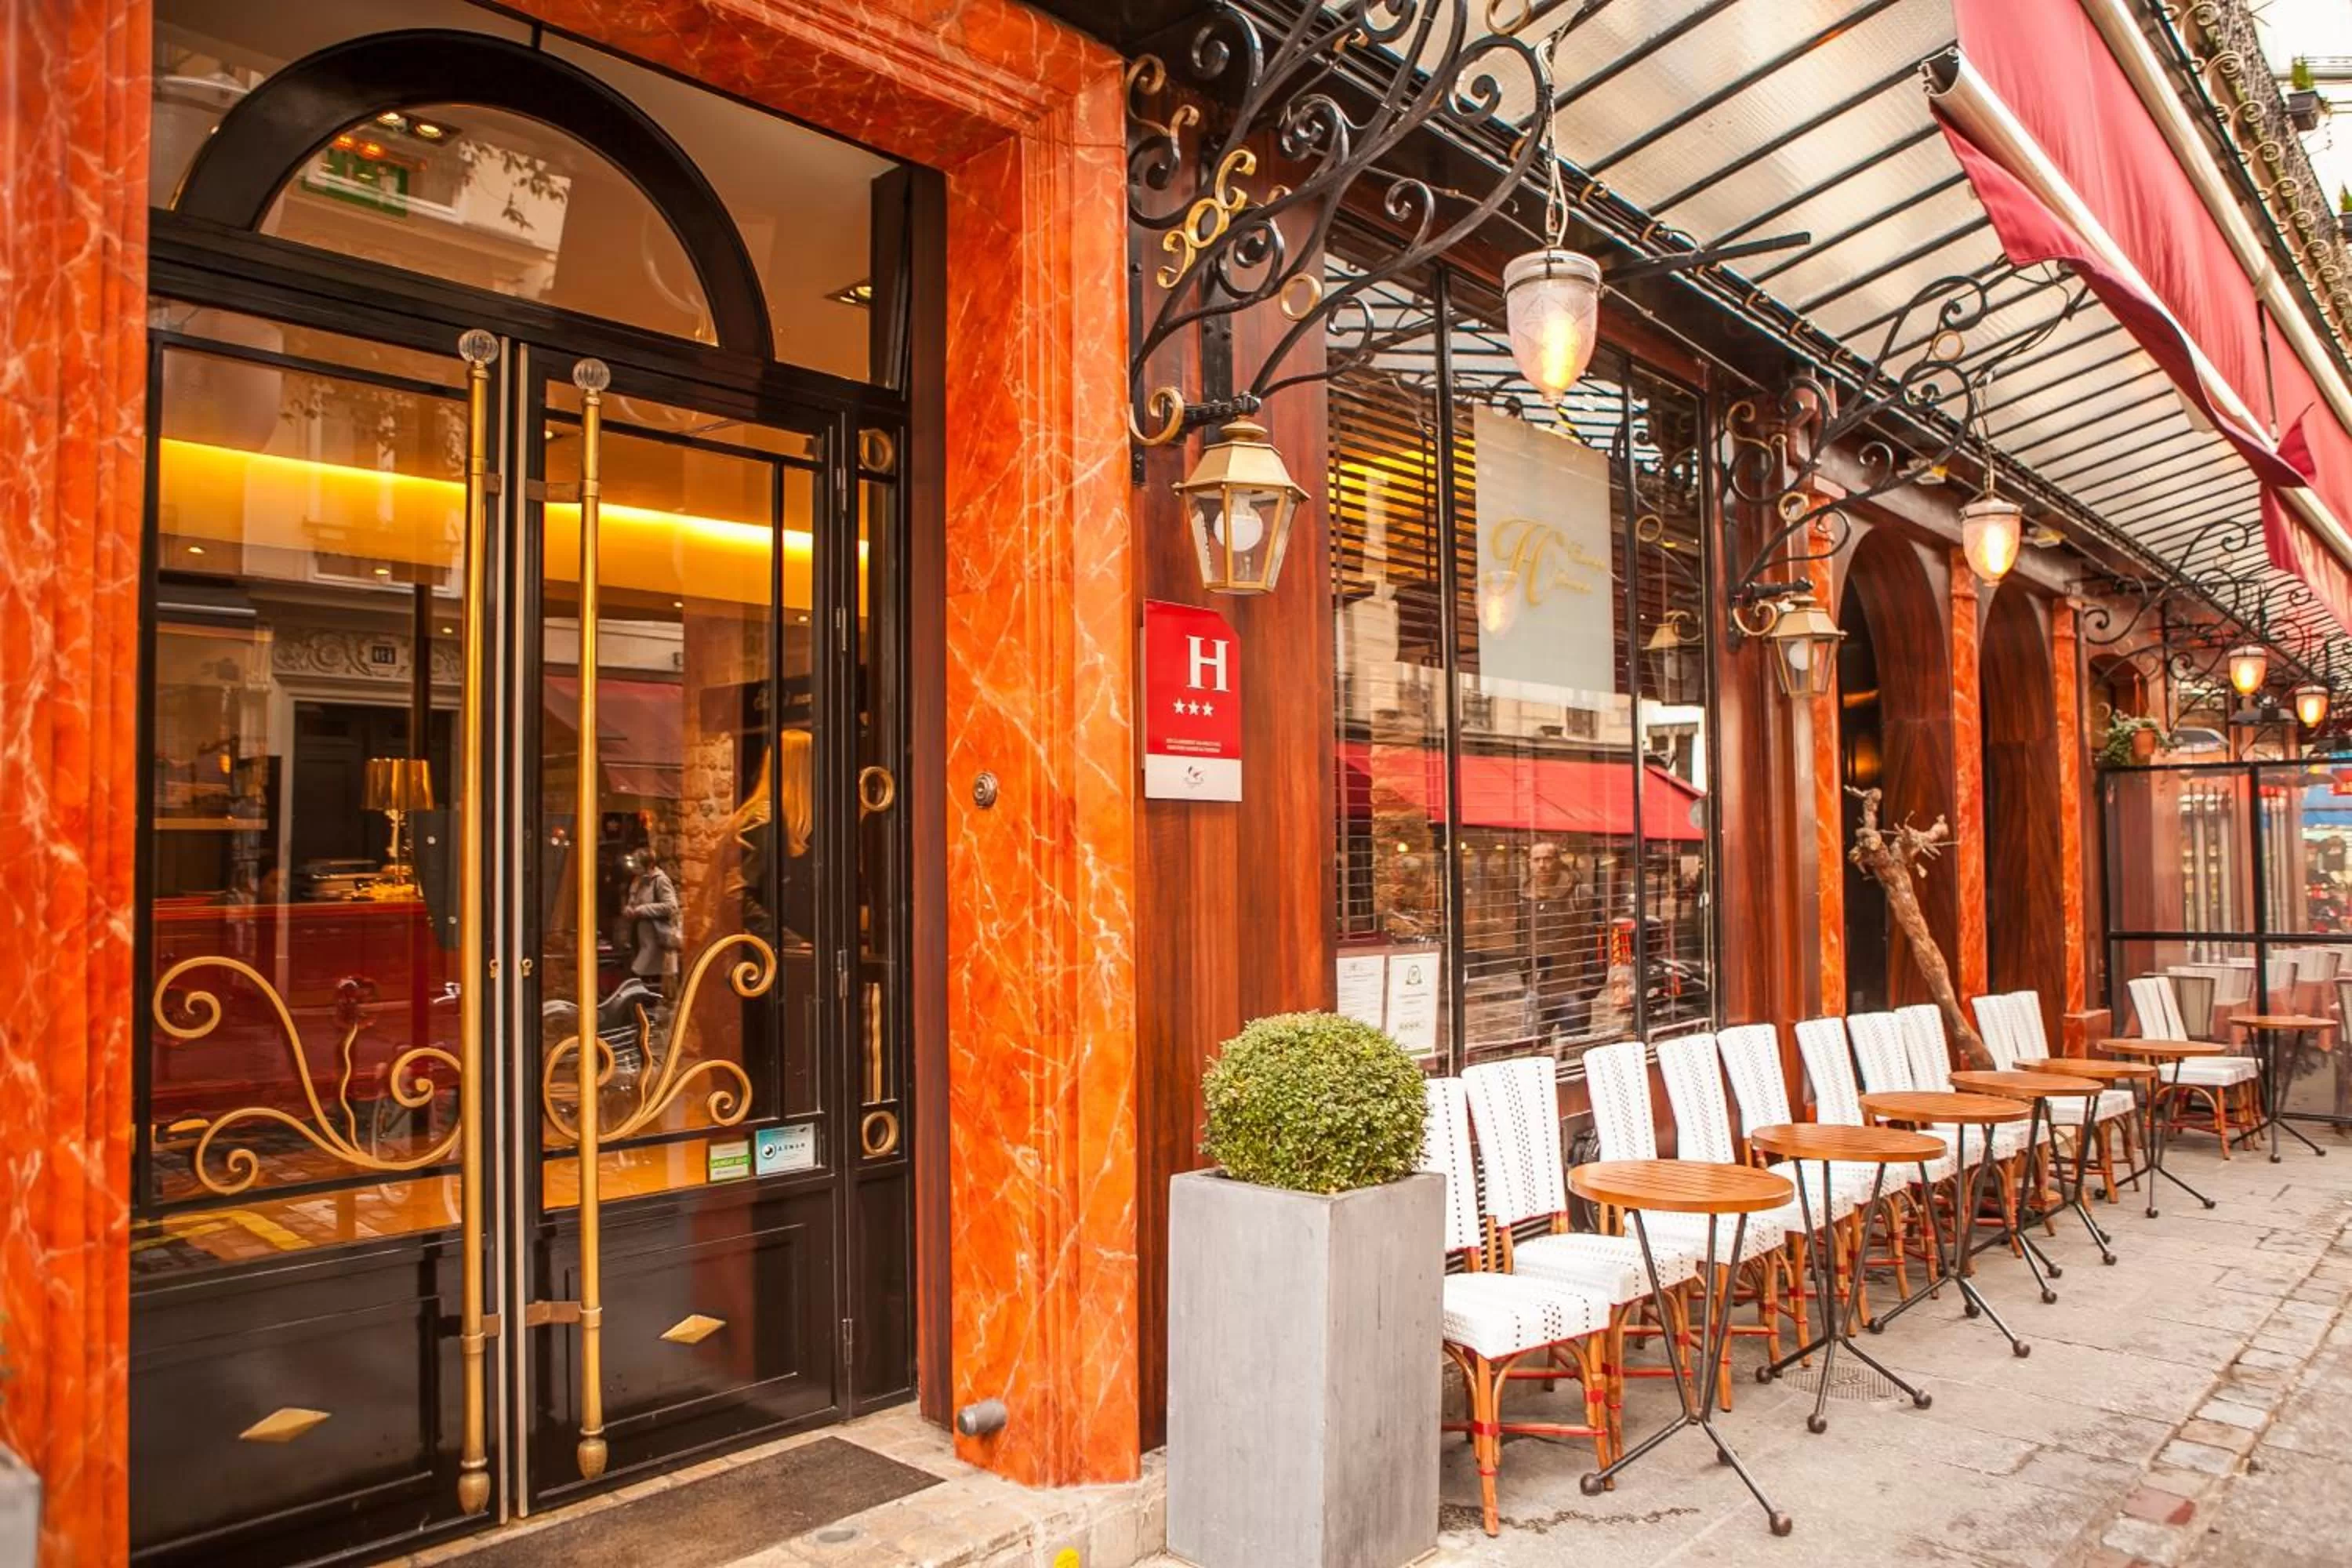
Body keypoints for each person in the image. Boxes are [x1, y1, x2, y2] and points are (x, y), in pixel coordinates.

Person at [620, 848, 682, 997]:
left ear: (648, 865)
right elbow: (633, 900)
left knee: (636, 975)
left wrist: (643, 910)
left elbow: (671, 906)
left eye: (638, 864)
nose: (634, 868)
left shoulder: (660, 881)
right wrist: (630, 908)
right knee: (638, 977)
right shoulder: (638, 881)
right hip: (640, 936)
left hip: (655, 938)